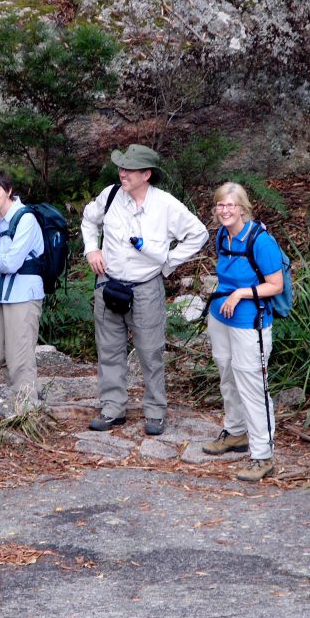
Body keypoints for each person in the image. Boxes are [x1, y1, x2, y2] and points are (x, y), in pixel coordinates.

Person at [81, 144, 208, 436]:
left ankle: (154, 411)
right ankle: (113, 408)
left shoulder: (165, 205)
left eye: (129, 169)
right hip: (108, 284)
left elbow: (198, 234)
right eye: (121, 168)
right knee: (109, 349)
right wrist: (92, 250)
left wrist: (168, 262)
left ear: (146, 174)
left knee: (150, 352)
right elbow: (89, 220)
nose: (122, 173)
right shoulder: (110, 195)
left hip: (145, 288)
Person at [203, 182, 284, 482]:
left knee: (252, 383)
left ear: (243, 208)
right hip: (220, 316)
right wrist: (228, 296)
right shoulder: (223, 235)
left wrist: (241, 294)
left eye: (230, 205)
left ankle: (262, 455)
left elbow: (275, 285)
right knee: (227, 374)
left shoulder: (260, 241)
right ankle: (236, 432)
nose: (224, 210)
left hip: (251, 322)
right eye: (220, 205)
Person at [0, 170, 45, 414]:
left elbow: (13, 263)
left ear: (9, 191)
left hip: (23, 295)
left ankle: (27, 410)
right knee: (4, 354)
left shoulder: (26, 219)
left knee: (20, 356)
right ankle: (17, 404)